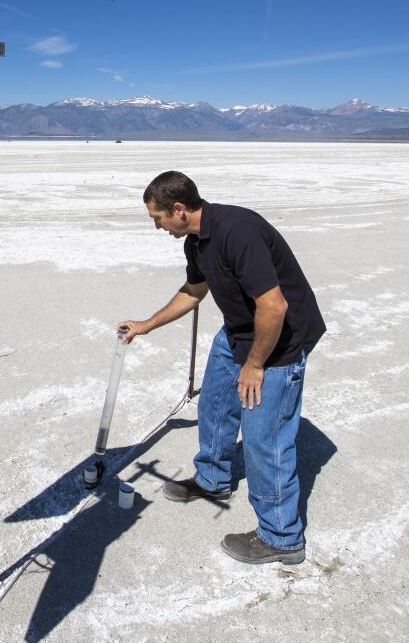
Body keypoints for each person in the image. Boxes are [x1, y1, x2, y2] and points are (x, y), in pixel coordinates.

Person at [118, 171, 325, 565]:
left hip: (278, 341)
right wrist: (146, 324)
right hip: (240, 333)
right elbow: (194, 291)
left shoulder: (237, 232)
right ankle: (213, 478)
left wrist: (255, 364)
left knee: (265, 437)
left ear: (179, 209)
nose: (157, 227)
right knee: (214, 403)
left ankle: (282, 536)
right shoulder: (197, 241)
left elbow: (274, 306)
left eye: (157, 218)